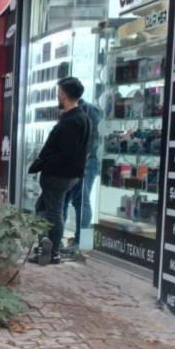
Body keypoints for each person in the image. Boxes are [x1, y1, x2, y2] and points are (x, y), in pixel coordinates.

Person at [28, 76, 92, 265]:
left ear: (64, 94)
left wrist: (46, 164)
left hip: (59, 175)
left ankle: (52, 251)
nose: (57, 95)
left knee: (53, 212)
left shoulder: (72, 121)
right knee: (42, 208)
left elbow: (65, 152)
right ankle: (44, 246)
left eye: (59, 92)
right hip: (68, 174)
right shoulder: (82, 118)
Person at [62, 96, 103, 254]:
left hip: (84, 164)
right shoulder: (70, 112)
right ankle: (57, 239)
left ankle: (83, 243)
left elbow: (91, 143)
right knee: (65, 201)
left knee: (81, 201)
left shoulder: (89, 111)